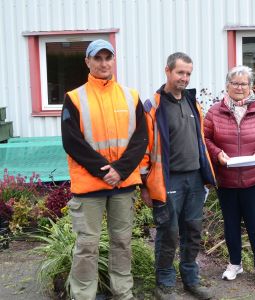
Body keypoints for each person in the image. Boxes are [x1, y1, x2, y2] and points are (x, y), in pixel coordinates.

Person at [61, 39, 148, 300]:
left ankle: (123, 293)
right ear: (87, 61)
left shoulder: (131, 96)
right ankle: (83, 295)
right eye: (97, 58)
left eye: (107, 57)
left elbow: (141, 139)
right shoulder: (74, 98)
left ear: (114, 60)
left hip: (122, 185)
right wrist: (104, 170)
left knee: (122, 243)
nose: (103, 63)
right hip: (90, 187)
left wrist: (119, 171)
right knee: (86, 247)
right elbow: (72, 142)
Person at [139, 52, 216, 300]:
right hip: (167, 180)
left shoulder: (193, 103)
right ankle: (164, 283)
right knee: (168, 232)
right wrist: (144, 185)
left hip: (194, 179)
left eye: (188, 73)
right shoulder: (153, 107)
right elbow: (143, 148)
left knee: (193, 230)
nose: (184, 78)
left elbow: (200, 142)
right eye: (180, 72)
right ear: (168, 71)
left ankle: (191, 280)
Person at [203, 65, 255, 288]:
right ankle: (235, 263)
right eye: (235, 83)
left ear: (250, 86)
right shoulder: (214, 112)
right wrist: (217, 153)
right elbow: (205, 139)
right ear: (227, 85)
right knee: (230, 225)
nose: (239, 87)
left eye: (244, 83)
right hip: (227, 180)